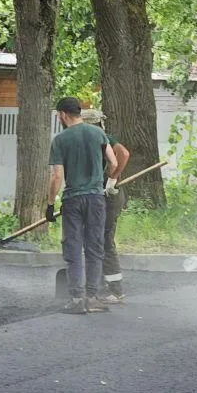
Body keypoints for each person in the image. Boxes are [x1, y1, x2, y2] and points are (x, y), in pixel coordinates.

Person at [47, 97, 117, 315]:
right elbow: (114, 162)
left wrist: (50, 204)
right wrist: (105, 183)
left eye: (58, 115)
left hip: (74, 200)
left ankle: (77, 299)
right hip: (97, 199)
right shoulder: (98, 134)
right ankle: (93, 297)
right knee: (95, 247)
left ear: (63, 114)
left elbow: (57, 176)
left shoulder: (60, 139)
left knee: (74, 248)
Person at [81, 108, 130, 304]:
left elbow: (123, 154)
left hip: (108, 197)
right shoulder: (91, 140)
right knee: (95, 240)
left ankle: (116, 290)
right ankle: (98, 285)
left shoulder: (102, 137)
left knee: (104, 241)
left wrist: (112, 178)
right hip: (97, 197)